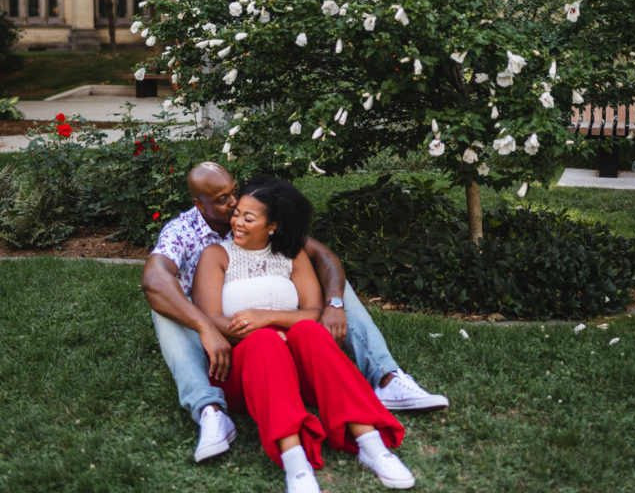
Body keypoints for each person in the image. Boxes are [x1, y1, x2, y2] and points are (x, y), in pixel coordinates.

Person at [142, 162, 448, 467]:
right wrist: (205, 326)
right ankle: (210, 410)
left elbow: (324, 256)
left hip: (285, 329)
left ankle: (386, 376)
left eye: (234, 193)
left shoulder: (261, 217)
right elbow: (154, 280)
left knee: (335, 287)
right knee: (166, 305)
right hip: (211, 326)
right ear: (199, 204)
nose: (234, 204)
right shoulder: (184, 232)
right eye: (223, 201)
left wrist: (332, 305)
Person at [191, 175, 414, 493]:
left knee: (309, 333)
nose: (235, 221)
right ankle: (295, 461)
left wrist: (269, 317)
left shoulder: (292, 255)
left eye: (248, 218)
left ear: (273, 226)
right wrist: (263, 330)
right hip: (245, 371)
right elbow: (212, 319)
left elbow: (312, 314)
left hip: (298, 369)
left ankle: (371, 444)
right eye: (237, 213)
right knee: (265, 341)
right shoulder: (216, 255)